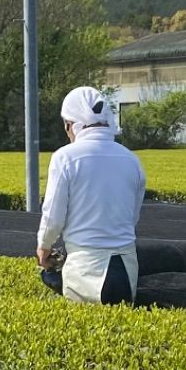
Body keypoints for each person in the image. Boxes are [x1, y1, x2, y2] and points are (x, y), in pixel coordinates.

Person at [35, 86, 147, 304]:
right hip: (127, 267)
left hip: (86, 269)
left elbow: (53, 216)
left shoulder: (65, 158)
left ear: (70, 125)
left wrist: (44, 246)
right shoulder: (131, 160)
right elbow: (132, 217)